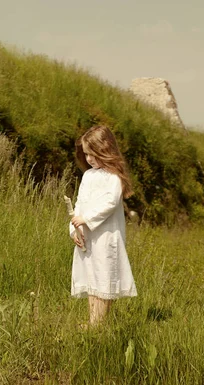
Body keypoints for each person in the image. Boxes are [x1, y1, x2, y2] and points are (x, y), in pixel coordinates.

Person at [69, 125, 137, 326]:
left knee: (104, 276)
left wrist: (87, 219)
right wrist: (75, 228)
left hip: (106, 237)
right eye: (86, 154)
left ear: (105, 150)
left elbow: (110, 203)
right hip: (88, 236)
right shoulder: (89, 176)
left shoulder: (113, 177)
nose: (89, 159)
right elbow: (79, 203)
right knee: (92, 277)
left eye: (93, 154)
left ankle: (99, 324)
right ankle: (93, 322)